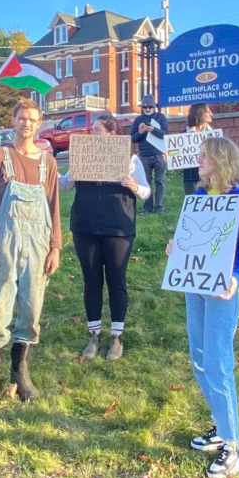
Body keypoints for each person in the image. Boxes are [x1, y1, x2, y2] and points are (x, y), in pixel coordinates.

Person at [165, 136, 239, 478]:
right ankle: (222, 426)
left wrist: (237, 276)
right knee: (199, 359)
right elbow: (190, 238)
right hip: (195, 287)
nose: (198, 160)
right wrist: (175, 247)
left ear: (221, 159)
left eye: (204, 156)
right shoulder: (196, 197)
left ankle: (234, 448)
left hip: (223, 291)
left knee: (218, 363)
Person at [0, 98, 61, 403]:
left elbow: (53, 208)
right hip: (5, 241)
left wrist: (56, 248)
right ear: (13, 121)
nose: (27, 123)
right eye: (22, 118)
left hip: (39, 244)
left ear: (39, 125)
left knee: (31, 309)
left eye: (32, 119)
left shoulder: (48, 163)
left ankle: (20, 370)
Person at [59, 114, 150, 361]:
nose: (93, 133)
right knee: (92, 282)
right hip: (85, 227)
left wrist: (132, 185)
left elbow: (145, 192)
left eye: (98, 129)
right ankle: (94, 335)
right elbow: (64, 185)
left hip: (118, 228)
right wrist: (51, 171)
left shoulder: (130, 159)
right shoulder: (83, 155)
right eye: (93, 129)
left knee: (116, 281)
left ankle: (117, 337)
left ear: (112, 133)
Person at [130, 95, 169, 215]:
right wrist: (141, 132)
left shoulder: (160, 117)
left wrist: (153, 130)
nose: (147, 109)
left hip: (158, 154)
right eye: (144, 107)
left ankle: (159, 207)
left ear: (154, 106)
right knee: (145, 182)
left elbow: (165, 134)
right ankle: (147, 207)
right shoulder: (138, 120)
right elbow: (133, 138)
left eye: (150, 106)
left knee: (160, 181)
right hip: (144, 155)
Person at [182, 103, 213, 195]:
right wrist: (169, 156)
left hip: (210, 175)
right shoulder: (182, 135)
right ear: (200, 114)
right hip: (190, 177)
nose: (211, 114)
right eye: (208, 112)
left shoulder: (214, 135)